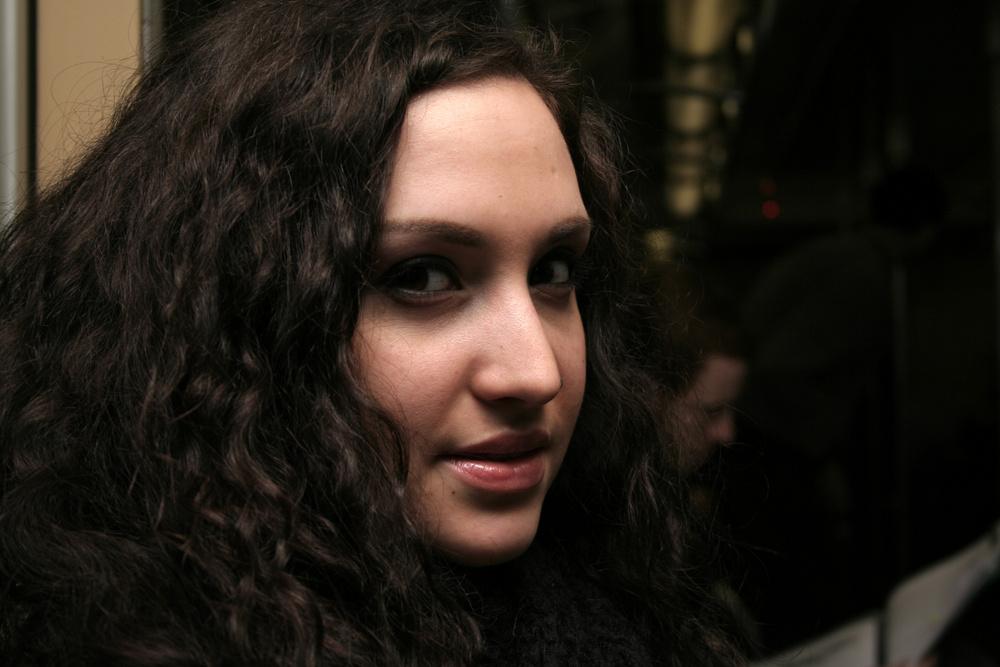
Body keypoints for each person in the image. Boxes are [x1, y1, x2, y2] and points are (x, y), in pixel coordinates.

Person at [0, 1, 745, 664]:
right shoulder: (98, 632)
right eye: (423, 277)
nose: (536, 372)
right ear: (245, 317)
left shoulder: (618, 613)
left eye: (553, 271)